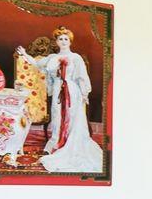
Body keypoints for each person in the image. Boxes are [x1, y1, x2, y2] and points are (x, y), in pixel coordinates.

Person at [15, 27, 104, 173]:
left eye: (66, 39)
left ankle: (70, 145)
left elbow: (82, 76)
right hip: (58, 90)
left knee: (72, 117)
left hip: (72, 91)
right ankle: (55, 144)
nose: (63, 41)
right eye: (60, 39)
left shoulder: (76, 58)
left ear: (70, 41)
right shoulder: (52, 58)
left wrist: (84, 94)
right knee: (57, 117)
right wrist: (25, 54)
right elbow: (37, 64)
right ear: (56, 41)